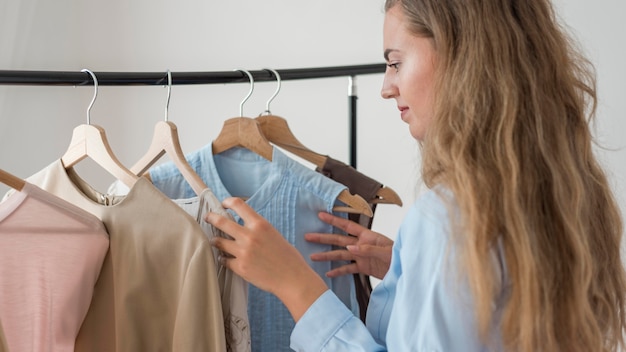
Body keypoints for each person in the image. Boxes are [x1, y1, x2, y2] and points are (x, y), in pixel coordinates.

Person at [206, 0, 626, 350]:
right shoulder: (558, 195)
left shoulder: (449, 218)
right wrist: (407, 273)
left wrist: (294, 283)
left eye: (395, 63)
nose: (386, 87)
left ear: (461, 56)